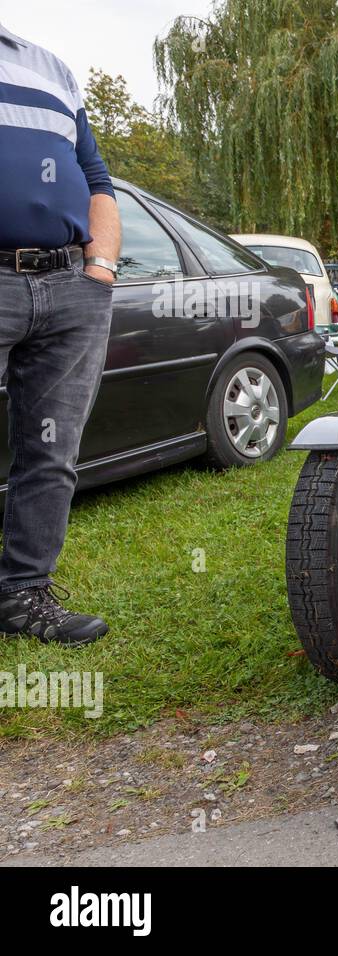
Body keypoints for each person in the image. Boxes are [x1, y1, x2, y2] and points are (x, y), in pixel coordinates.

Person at [0, 23, 121, 645]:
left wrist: (99, 269)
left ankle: (23, 596)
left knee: (51, 452)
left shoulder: (50, 67)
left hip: (70, 284)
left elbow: (97, 179)